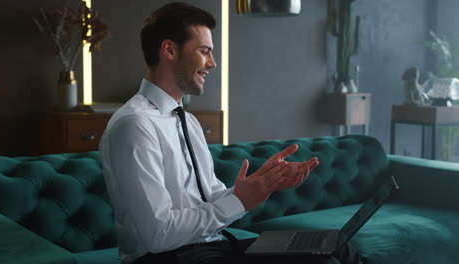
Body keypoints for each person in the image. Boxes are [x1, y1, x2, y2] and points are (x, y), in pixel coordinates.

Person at [99, 2, 361, 264]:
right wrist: (239, 201)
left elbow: (210, 198)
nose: (212, 63)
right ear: (169, 50)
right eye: (204, 51)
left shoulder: (187, 120)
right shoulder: (134, 125)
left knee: (336, 247)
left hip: (214, 246)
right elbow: (159, 234)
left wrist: (262, 184)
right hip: (168, 257)